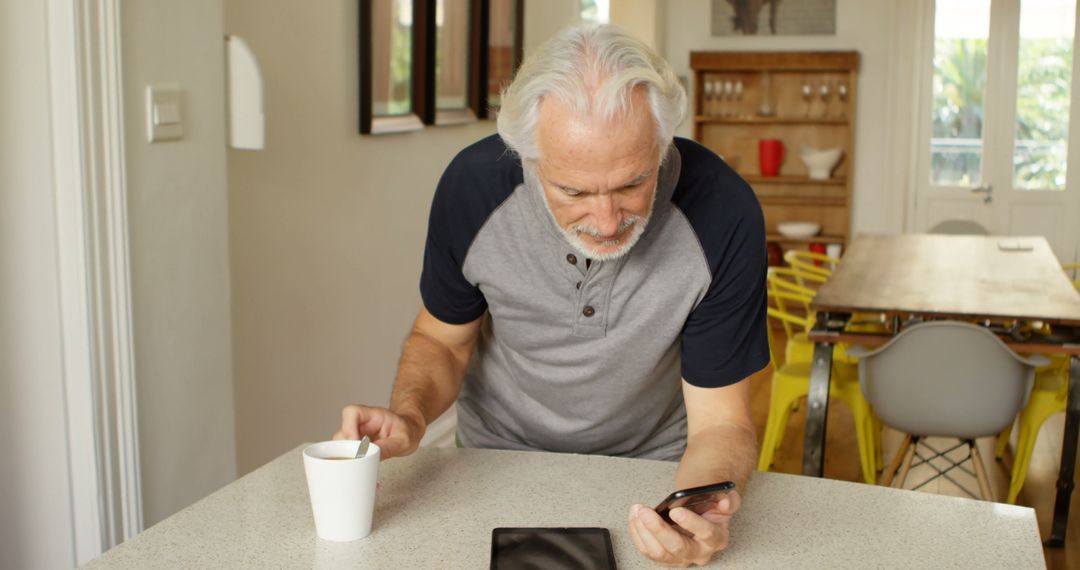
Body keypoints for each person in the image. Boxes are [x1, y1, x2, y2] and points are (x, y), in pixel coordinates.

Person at [335, 24, 768, 566]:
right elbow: (442, 342)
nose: (608, 221)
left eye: (632, 183)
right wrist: (411, 414)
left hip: (651, 473)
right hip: (495, 461)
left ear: (662, 144)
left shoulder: (723, 211)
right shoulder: (473, 188)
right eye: (574, 191)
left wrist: (699, 510)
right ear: (526, 157)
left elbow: (722, 423)